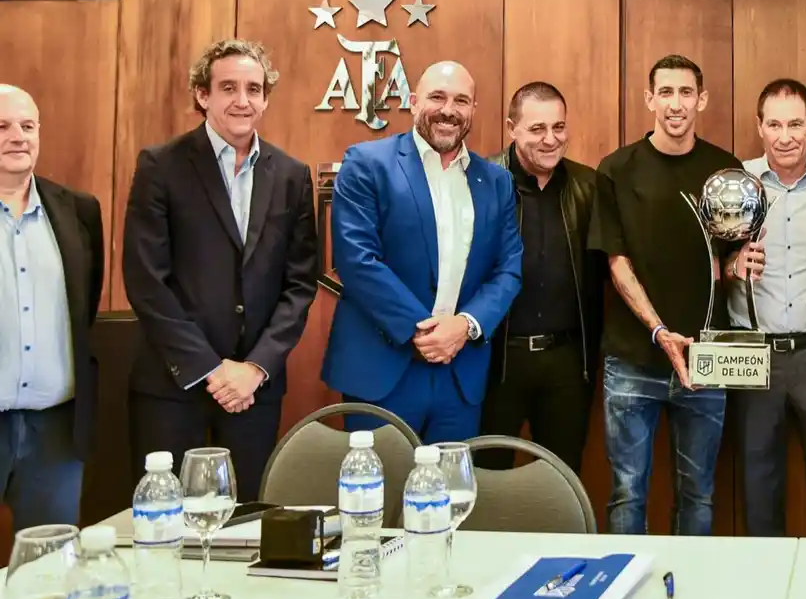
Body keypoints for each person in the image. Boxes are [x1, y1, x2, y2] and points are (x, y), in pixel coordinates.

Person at [123, 40, 318, 499]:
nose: (242, 100)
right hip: (173, 385)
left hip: (254, 391)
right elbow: (147, 280)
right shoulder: (161, 166)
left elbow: (299, 284)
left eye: (254, 88)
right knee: (165, 525)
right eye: (228, 87)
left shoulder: (290, 175)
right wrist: (211, 370)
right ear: (202, 95)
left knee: (246, 527)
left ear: (266, 99)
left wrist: (255, 367)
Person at [324, 61, 522, 442]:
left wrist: (463, 326)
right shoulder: (367, 163)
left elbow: (508, 269)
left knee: (449, 497)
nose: (449, 110)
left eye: (461, 100)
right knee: (378, 498)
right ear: (413, 102)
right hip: (383, 368)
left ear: (473, 110)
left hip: (460, 374)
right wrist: (425, 332)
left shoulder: (496, 181)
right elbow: (356, 259)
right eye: (437, 97)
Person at [590, 54, 741, 535]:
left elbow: (732, 258)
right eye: (666, 93)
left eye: (686, 93)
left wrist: (738, 264)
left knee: (699, 494)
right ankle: (621, 597)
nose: (676, 104)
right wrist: (659, 332)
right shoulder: (616, 168)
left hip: (707, 359)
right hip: (634, 359)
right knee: (627, 491)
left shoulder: (726, 169)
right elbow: (617, 263)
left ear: (702, 99)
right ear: (649, 98)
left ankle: (692, 597)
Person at [724, 79, 806, 538]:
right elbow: (696, 253)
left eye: (795, 123)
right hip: (752, 354)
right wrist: (731, 262)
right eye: (774, 124)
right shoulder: (736, 179)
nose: (785, 135)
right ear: (759, 127)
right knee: (758, 487)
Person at [479, 82, 603, 475]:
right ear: (512, 127)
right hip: (495, 362)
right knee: (488, 478)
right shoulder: (481, 182)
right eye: (537, 129)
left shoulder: (589, 186)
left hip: (567, 363)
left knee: (562, 481)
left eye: (559, 127)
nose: (551, 139)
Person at [0, 86, 104, 528]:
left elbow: (86, 304)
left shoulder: (78, 211)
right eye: (2, 127)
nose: (17, 136)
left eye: (27, 126)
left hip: (57, 431)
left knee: (50, 577)